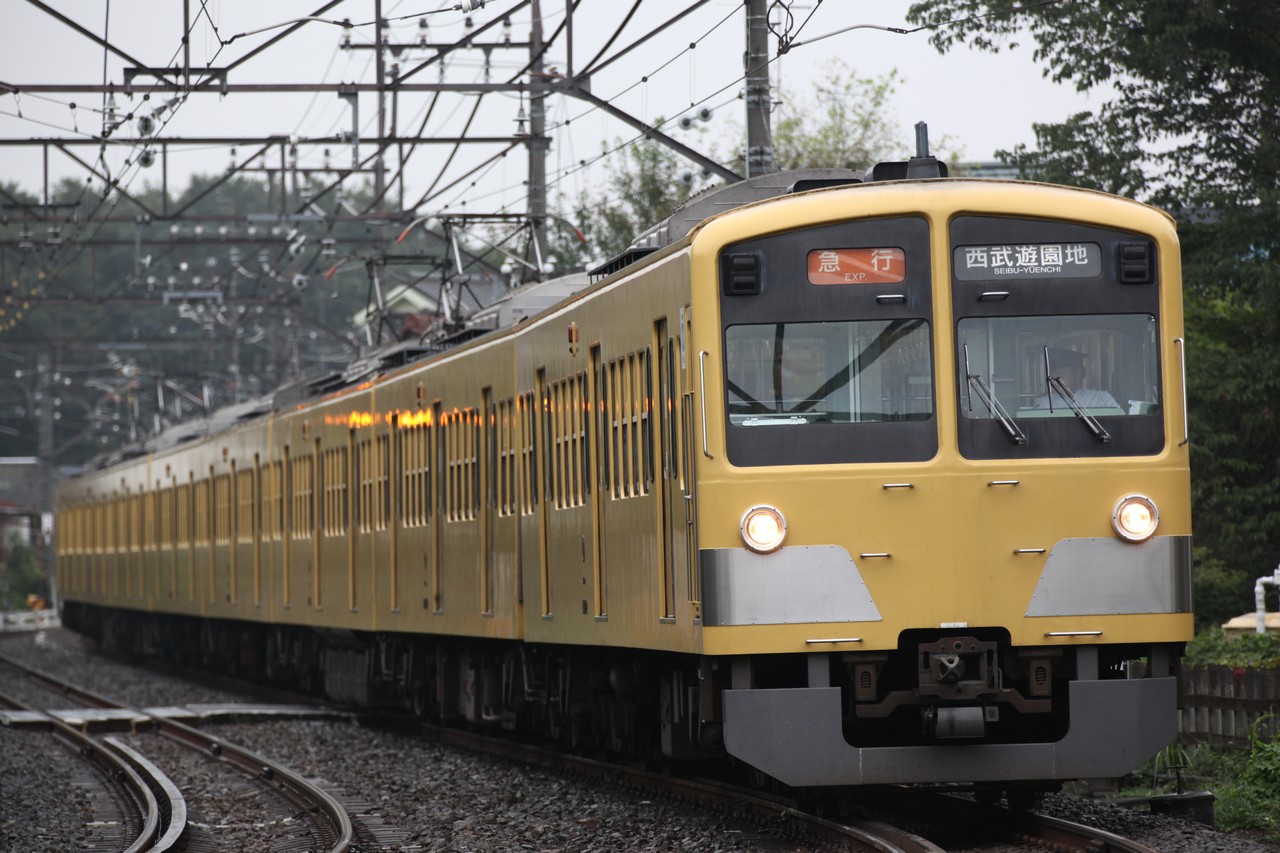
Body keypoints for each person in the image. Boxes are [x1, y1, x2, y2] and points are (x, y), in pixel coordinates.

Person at [1033, 348, 1119, 410]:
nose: (1054, 380)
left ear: (1078, 373)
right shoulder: (1045, 404)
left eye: (1060, 373)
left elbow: (1119, 425)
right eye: (1052, 376)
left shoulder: (1101, 400)